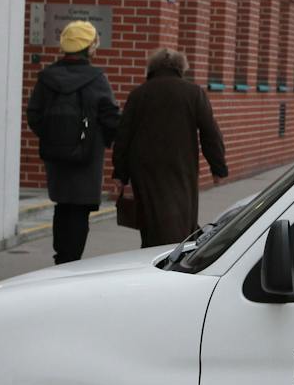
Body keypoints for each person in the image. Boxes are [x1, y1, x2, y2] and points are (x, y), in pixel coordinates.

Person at [25, 20, 120, 264]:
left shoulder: (47, 78)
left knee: (62, 205)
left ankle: (61, 257)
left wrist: (53, 136)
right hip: (87, 157)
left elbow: (34, 115)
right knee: (80, 209)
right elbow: (111, 118)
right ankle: (72, 259)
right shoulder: (96, 79)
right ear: (89, 47)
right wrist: (103, 140)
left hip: (56, 155)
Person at [113, 48, 228, 248]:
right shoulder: (193, 93)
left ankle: (154, 253)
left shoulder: (139, 94)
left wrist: (120, 174)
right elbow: (210, 133)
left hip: (144, 168)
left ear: (152, 69)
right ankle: (173, 256)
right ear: (181, 68)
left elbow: (123, 137)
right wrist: (217, 167)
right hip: (181, 166)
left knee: (151, 219)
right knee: (181, 215)